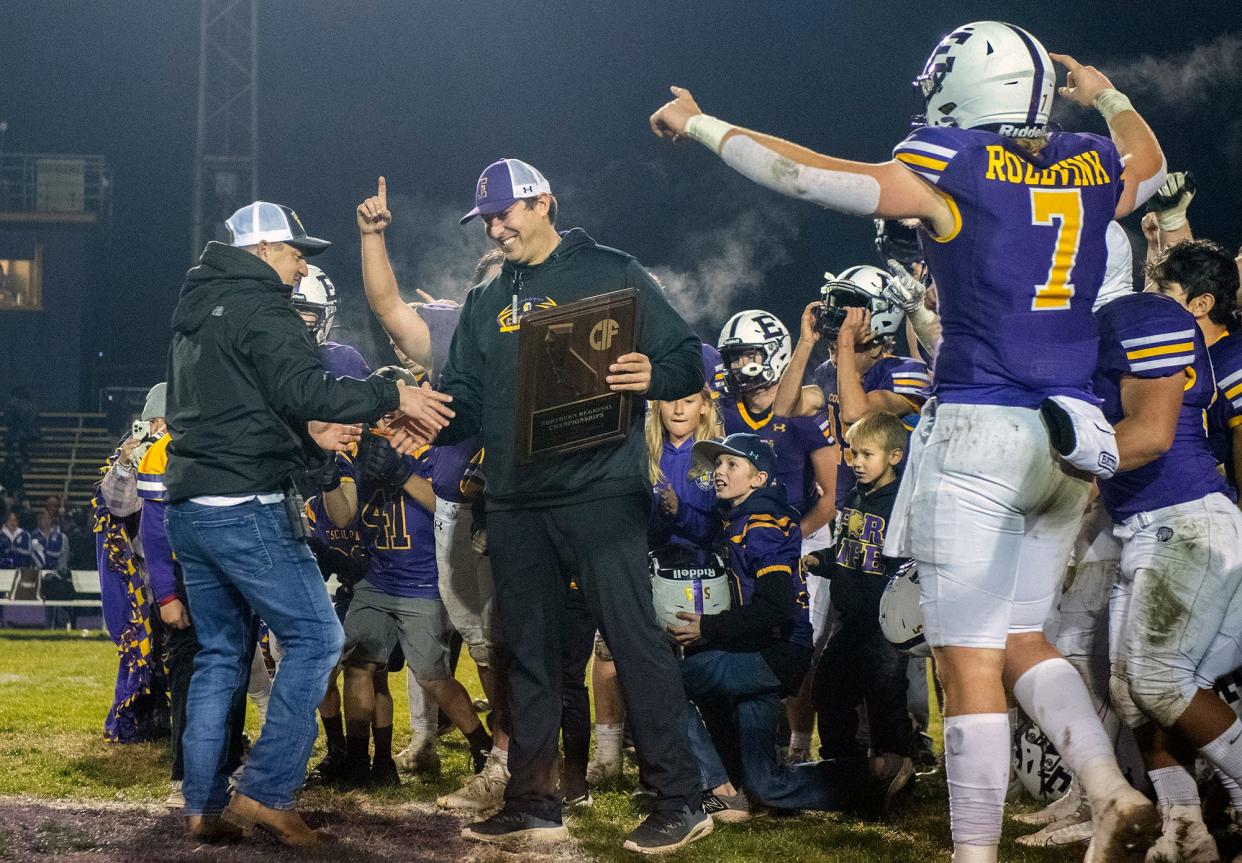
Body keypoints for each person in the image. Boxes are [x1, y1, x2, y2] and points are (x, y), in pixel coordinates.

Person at [649, 21, 1169, 862]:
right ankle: (1107, 787)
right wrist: (1106, 92)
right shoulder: (1091, 159)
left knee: (968, 662)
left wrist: (704, 125)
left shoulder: (954, 162)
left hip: (981, 427)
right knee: (1026, 639)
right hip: (1070, 442)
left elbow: (815, 178)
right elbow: (1144, 161)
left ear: (964, 88)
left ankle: (974, 854)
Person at [363, 160, 711, 852]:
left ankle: (681, 794)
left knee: (632, 638)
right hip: (516, 500)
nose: (495, 227)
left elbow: (686, 360)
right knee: (526, 652)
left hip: (601, 492)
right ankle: (533, 798)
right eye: (486, 219)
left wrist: (655, 373)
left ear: (545, 202)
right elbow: (462, 401)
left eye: (506, 213)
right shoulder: (488, 299)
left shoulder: (613, 270)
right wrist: (428, 419)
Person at [162, 200, 452, 847]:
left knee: (218, 655)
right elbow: (308, 393)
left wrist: (308, 442)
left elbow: (249, 407)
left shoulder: (195, 310)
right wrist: (390, 390)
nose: (300, 263)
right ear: (262, 249)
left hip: (191, 506)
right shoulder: (264, 307)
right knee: (320, 638)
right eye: (295, 250)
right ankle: (264, 790)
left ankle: (203, 804)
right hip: (247, 503)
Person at [673, 432, 906, 821]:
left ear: (758, 479)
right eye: (717, 465)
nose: (719, 472)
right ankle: (875, 773)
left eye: (732, 464)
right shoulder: (745, 516)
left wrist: (708, 628)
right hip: (759, 650)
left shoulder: (759, 524)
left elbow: (775, 609)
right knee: (767, 786)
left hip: (772, 653)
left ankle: (718, 787)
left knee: (663, 683)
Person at [1092, 265, 1242, 861]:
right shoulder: (1096, 328)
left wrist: (1059, 461)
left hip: (1184, 518)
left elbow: (1151, 435)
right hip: (1146, 526)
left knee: (1161, 679)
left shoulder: (1136, 315)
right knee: (1130, 690)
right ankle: (1185, 825)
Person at [808, 412, 914, 767]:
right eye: (853, 453)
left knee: (886, 702)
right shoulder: (856, 495)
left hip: (884, 628)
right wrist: (820, 561)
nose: (857, 462)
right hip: (849, 621)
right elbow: (849, 549)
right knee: (827, 690)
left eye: (867, 455)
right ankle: (843, 767)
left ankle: (896, 772)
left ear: (895, 456)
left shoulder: (902, 504)